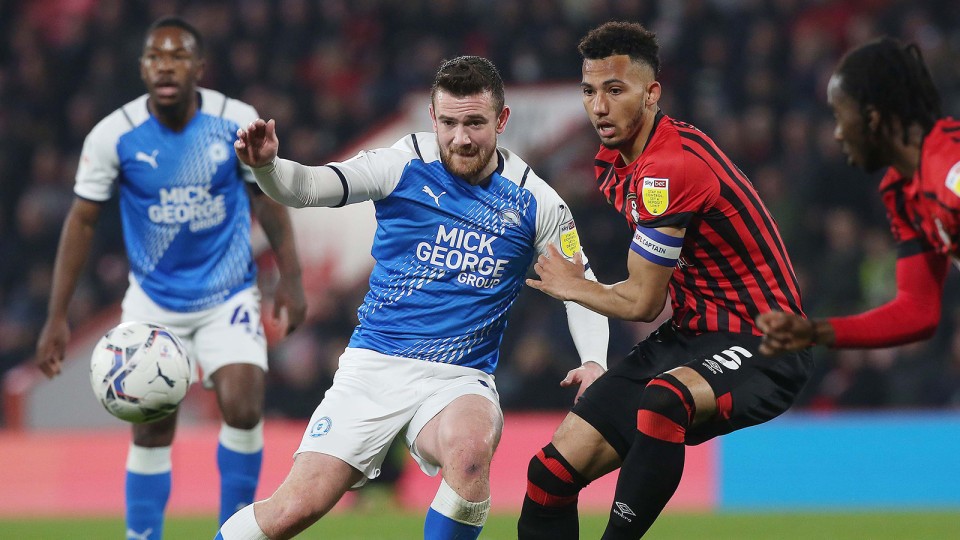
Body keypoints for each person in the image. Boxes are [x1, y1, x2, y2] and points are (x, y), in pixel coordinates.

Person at [216, 55, 609, 540]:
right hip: (373, 367)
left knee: (469, 453)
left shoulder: (537, 201)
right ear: (433, 118)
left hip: (458, 378)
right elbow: (307, 188)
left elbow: (581, 285)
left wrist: (594, 359)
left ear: (502, 120)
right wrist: (267, 167)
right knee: (292, 509)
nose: (461, 138)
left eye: (475, 123)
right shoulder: (401, 163)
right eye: (449, 123)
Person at [516, 21, 814, 539]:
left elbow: (642, 301)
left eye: (615, 90)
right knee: (549, 476)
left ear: (652, 93)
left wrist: (571, 285)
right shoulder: (614, 162)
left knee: (665, 399)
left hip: (764, 339)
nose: (599, 107)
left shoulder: (668, 168)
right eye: (589, 91)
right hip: (692, 336)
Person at [34, 17, 306, 539]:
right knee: (153, 425)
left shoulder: (236, 121)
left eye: (178, 55)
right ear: (142, 69)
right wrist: (56, 318)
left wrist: (291, 279)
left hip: (227, 292)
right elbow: (82, 221)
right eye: (155, 56)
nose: (166, 64)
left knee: (245, 405)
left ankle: (234, 530)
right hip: (154, 303)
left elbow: (267, 201)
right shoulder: (114, 135)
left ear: (198, 68)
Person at [756, 37, 953, 355]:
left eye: (839, 115)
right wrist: (814, 331)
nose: (837, 133)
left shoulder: (950, 172)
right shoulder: (901, 192)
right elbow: (917, 311)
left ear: (872, 118)